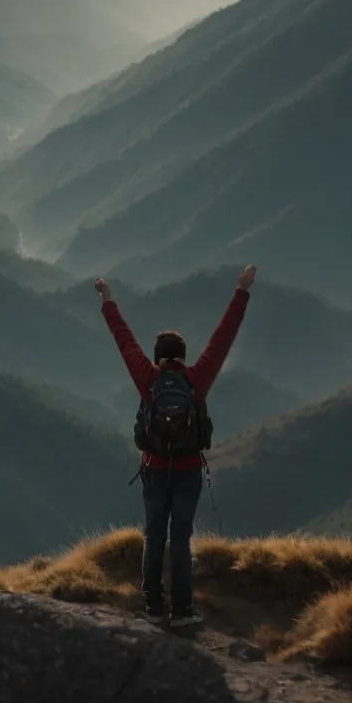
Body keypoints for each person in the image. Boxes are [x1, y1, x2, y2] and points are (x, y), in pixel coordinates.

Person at [95, 265, 256, 626]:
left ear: (158, 357)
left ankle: (153, 609)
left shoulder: (147, 378)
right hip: (188, 471)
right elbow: (223, 336)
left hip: (153, 469)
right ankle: (182, 611)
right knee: (181, 539)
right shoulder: (197, 380)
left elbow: (124, 340)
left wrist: (108, 301)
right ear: (183, 357)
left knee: (154, 538)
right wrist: (241, 291)